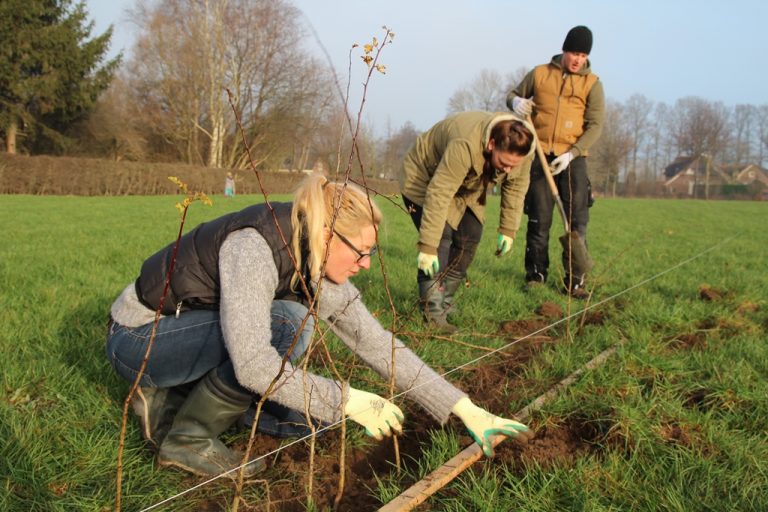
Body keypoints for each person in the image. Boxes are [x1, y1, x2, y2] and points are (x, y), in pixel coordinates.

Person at [105, 174, 533, 478]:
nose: (366, 264)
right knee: (287, 324)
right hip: (142, 337)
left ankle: (177, 395)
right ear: (327, 234)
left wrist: (462, 406)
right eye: (361, 251)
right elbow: (254, 364)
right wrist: (347, 399)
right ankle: (188, 438)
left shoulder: (313, 258)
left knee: (315, 415)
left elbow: (375, 342)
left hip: (190, 331)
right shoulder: (254, 247)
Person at [399, 111, 536, 333]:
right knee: (440, 238)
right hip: (425, 177)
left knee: (470, 236)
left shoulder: (524, 150)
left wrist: (509, 229)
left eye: (514, 165)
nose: (508, 169)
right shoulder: (465, 145)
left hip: (469, 186)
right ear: (492, 144)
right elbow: (440, 192)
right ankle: (432, 311)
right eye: (504, 163)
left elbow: (516, 187)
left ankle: (446, 301)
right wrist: (427, 246)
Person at [507, 25, 605, 298]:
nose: (578, 59)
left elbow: (595, 125)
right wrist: (516, 103)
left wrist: (573, 153)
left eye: (583, 55)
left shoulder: (593, 84)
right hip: (539, 155)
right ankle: (536, 276)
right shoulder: (540, 74)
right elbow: (512, 94)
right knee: (539, 220)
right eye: (574, 52)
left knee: (576, 222)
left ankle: (575, 282)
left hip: (572, 160)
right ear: (565, 50)